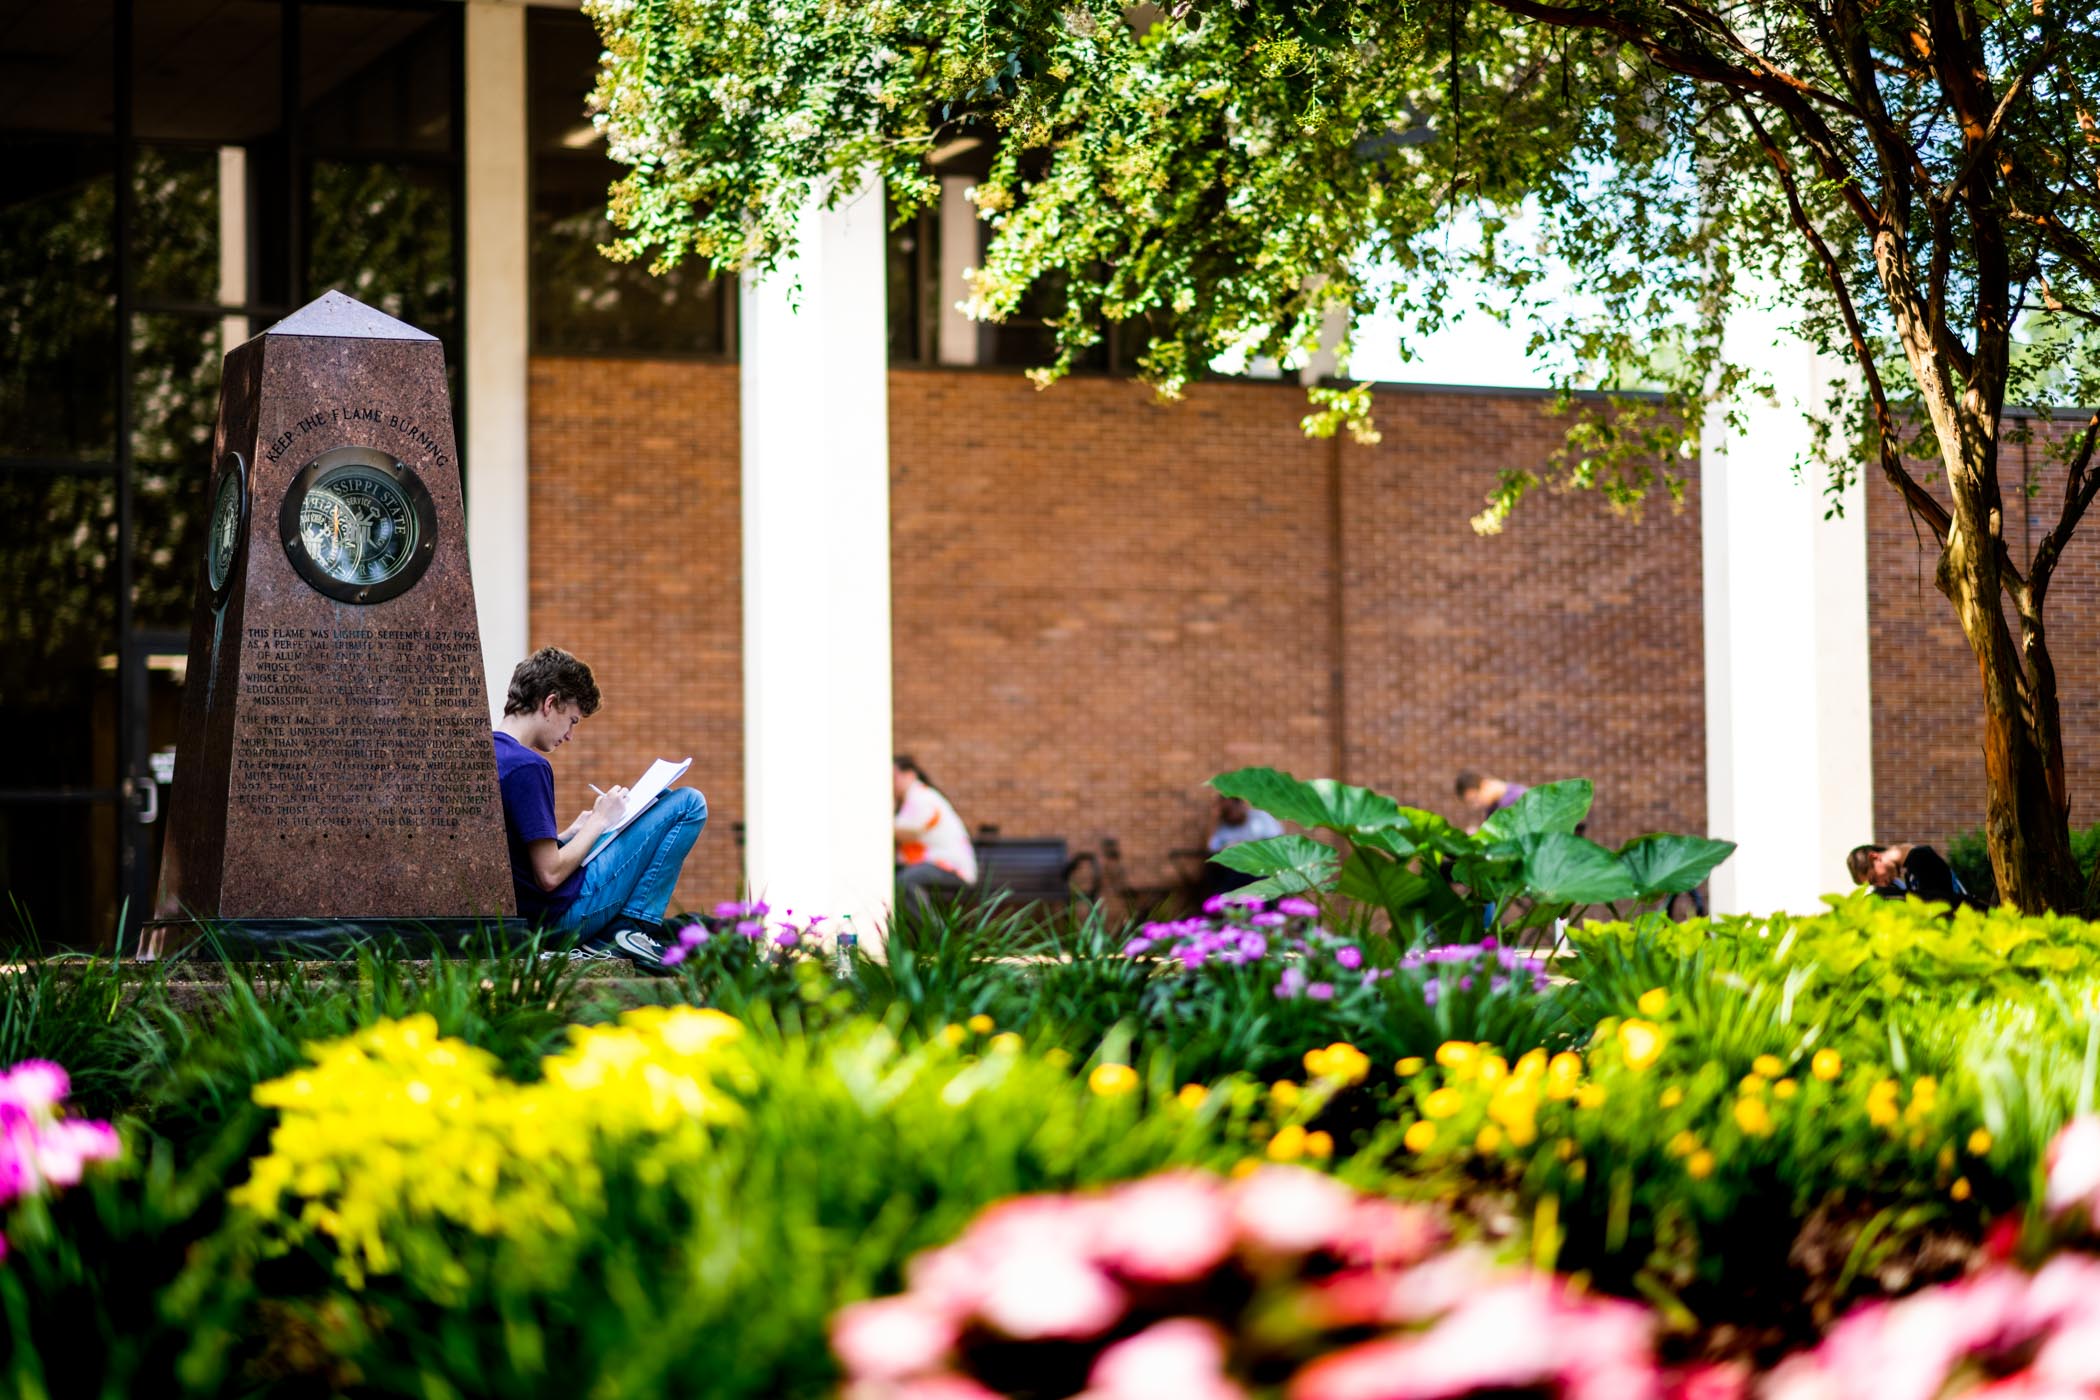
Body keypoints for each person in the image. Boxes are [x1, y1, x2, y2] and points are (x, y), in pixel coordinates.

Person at [492, 647, 707, 969]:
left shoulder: (488, 754)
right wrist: (600, 820)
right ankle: (631, 930)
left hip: (525, 919)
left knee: (660, 802)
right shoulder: (528, 766)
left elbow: (515, 860)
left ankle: (623, 932)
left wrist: (570, 833)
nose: (570, 736)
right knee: (687, 803)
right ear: (550, 703)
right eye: (572, 721)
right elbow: (549, 875)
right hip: (558, 919)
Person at [895, 755, 977, 909]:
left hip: (949, 866)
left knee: (904, 882)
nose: (892, 783)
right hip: (936, 864)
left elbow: (911, 831)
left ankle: (933, 931)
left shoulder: (922, 797)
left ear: (910, 775)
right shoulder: (913, 798)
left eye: (894, 777)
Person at [1847, 842, 1970, 906]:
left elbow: (1940, 905)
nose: (1881, 884)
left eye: (1874, 879)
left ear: (1874, 857)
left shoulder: (1921, 859)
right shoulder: (1912, 868)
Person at [1456, 770, 1528, 831]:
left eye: (1475, 799)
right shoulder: (1492, 808)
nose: (1476, 806)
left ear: (1484, 784)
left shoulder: (1518, 798)